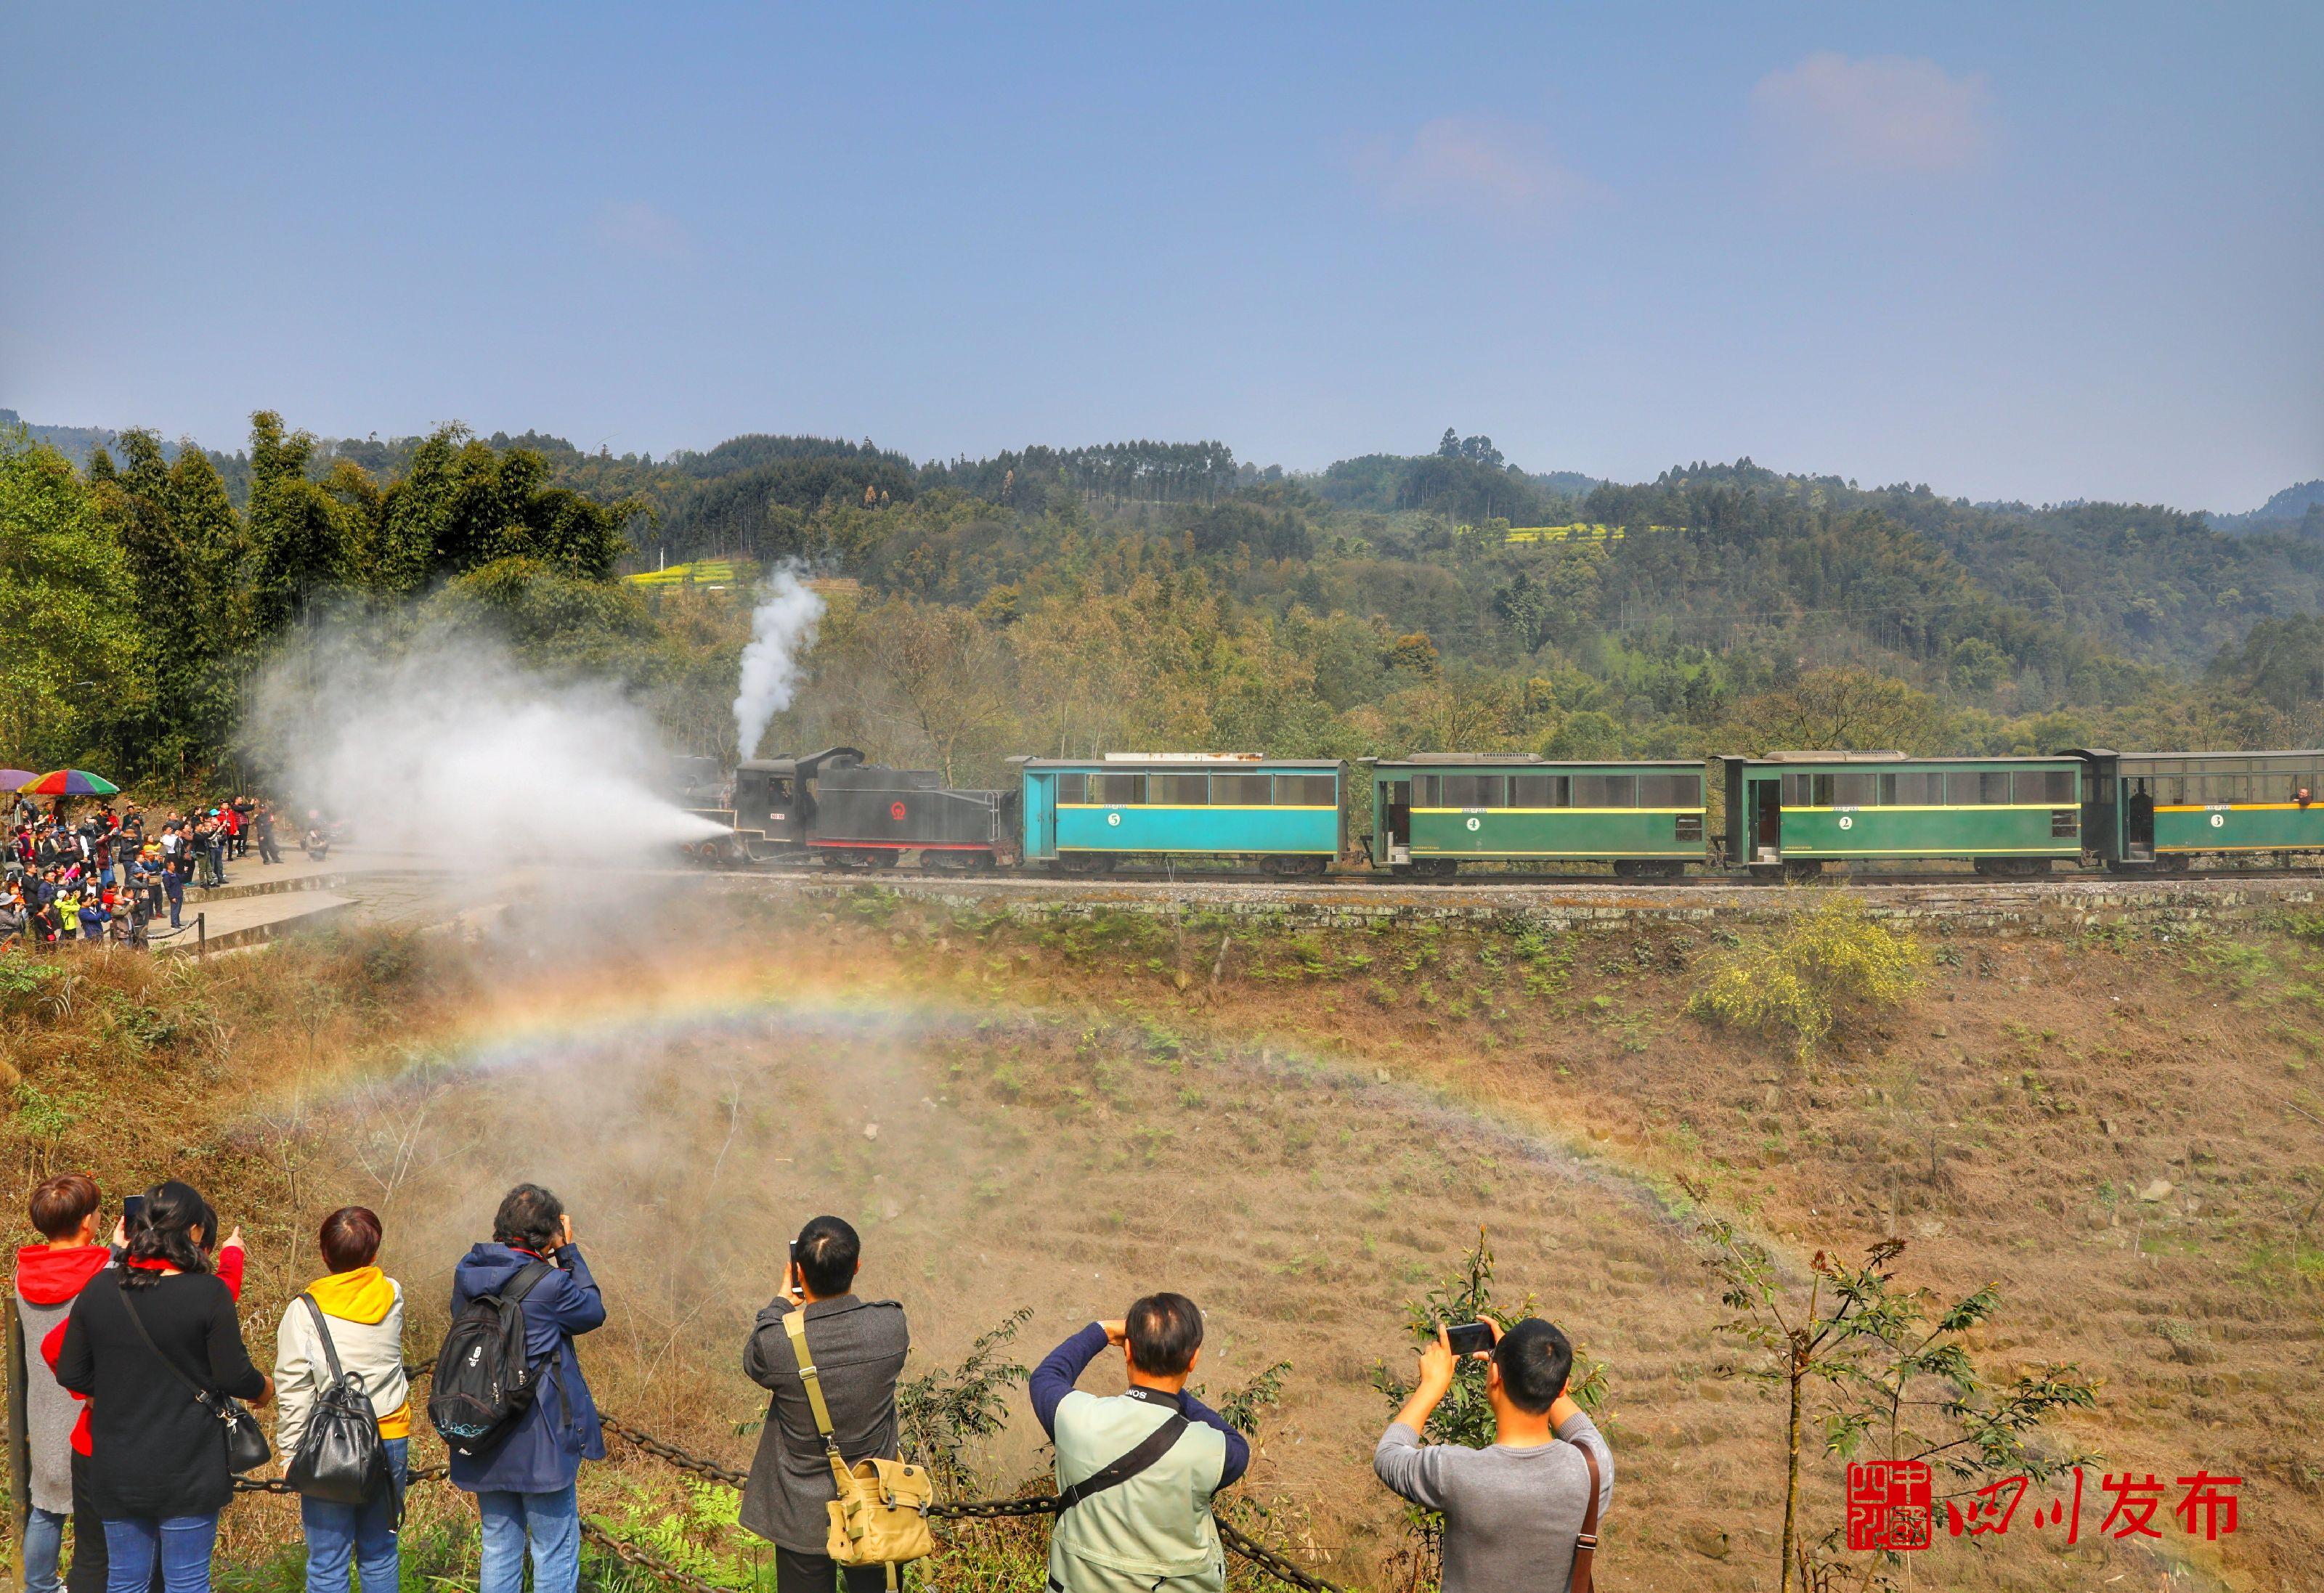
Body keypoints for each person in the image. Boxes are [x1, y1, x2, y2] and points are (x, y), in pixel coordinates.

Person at [53, 1181, 270, 1593]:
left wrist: (116, 1387)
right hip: (189, 1465)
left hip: (117, 1464)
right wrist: (266, 1389)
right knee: (187, 1582)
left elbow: (70, 1372)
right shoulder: (208, 1293)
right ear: (192, 1232)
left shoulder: (101, 1287)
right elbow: (234, 1376)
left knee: (125, 1581)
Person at [1373, 1316, 1612, 1593]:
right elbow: (1577, 1425)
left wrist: (1431, 1386)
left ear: (1495, 1376)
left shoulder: (1457, 1472)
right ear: (1563, 1388)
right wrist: (1533, 1366)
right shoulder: (1594, 1467)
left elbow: (1388, 1455)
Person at [1029, 1294, 1249, 1593]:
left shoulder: (1076, 1419)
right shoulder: (1213, 1450)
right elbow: (1237, 1444)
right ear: (1193, 1359)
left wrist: (1102, 1331)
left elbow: (1047, 1377)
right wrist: (1172, 1385)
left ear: (1128, 1349)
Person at [738, 1217, 911, 1593]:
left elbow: (754, 1359)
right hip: (875, 1504)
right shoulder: (891, 1326)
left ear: (799, 1270)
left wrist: (782, 1302)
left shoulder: (777, 1343)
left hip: (802, 1512)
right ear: (857, 1266)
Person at [449, 1184, 606, 1593]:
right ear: (548, 1234)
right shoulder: (550, 1285)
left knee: (499, 1548)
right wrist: (568, 1252)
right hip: (542, 1441)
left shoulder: (467, 1272)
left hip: (483, 1428)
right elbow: (592, 1311)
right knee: (553, 1551)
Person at [276, 1207, 411, 1593]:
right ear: (374, 1253)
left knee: (328, 1561)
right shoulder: (393, 1294)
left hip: (331, 1443)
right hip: (389, 1435)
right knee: (381, 1551)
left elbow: (294, 1387)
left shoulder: (304, 1311)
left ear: (323, 1254)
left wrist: (290, 1452)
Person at [15, 1176, 113, 1593]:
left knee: (46, 1505)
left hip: (43, 1403)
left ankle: (38, 1586)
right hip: (92, 1406)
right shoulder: (103, 1270)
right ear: (88, 1221)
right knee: (103, 1514)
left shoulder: (24, 1271)